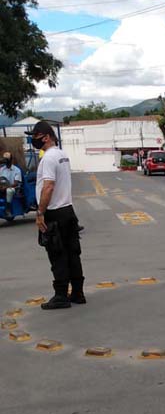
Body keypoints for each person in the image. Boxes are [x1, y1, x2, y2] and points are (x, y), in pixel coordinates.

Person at [32, 120, 85, 310]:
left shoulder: (48, 158)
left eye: (35, 137)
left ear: (46, 137)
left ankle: (61, 295)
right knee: (73, 253)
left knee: (57, 255)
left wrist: (40, 213)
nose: (33, 140)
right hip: (68, 210)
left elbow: (49, 186)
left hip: (54, 212)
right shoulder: (62, 155)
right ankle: (78, 293)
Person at [0, 151, 22, 220]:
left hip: (13, 188)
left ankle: (8, 209)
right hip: (2, 187)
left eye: (7, 160)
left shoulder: (16, 170)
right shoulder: (1, 169)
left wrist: (6, 187)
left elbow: (16, 183)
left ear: (11, 160)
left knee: (9, 191)